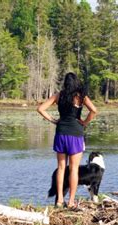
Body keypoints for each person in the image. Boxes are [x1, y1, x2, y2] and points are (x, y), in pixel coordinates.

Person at [37, 72, 98, 208]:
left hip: (61, 133)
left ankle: (59, 200)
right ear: (76, 82)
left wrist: (54, 120)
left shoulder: (59, 95)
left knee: (61, 168)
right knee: (74, 169)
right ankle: (71, 201)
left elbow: (40, 109)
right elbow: (94, 110)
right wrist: (85, 122)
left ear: (65, 83)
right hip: (76, 134)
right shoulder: (80, 96)